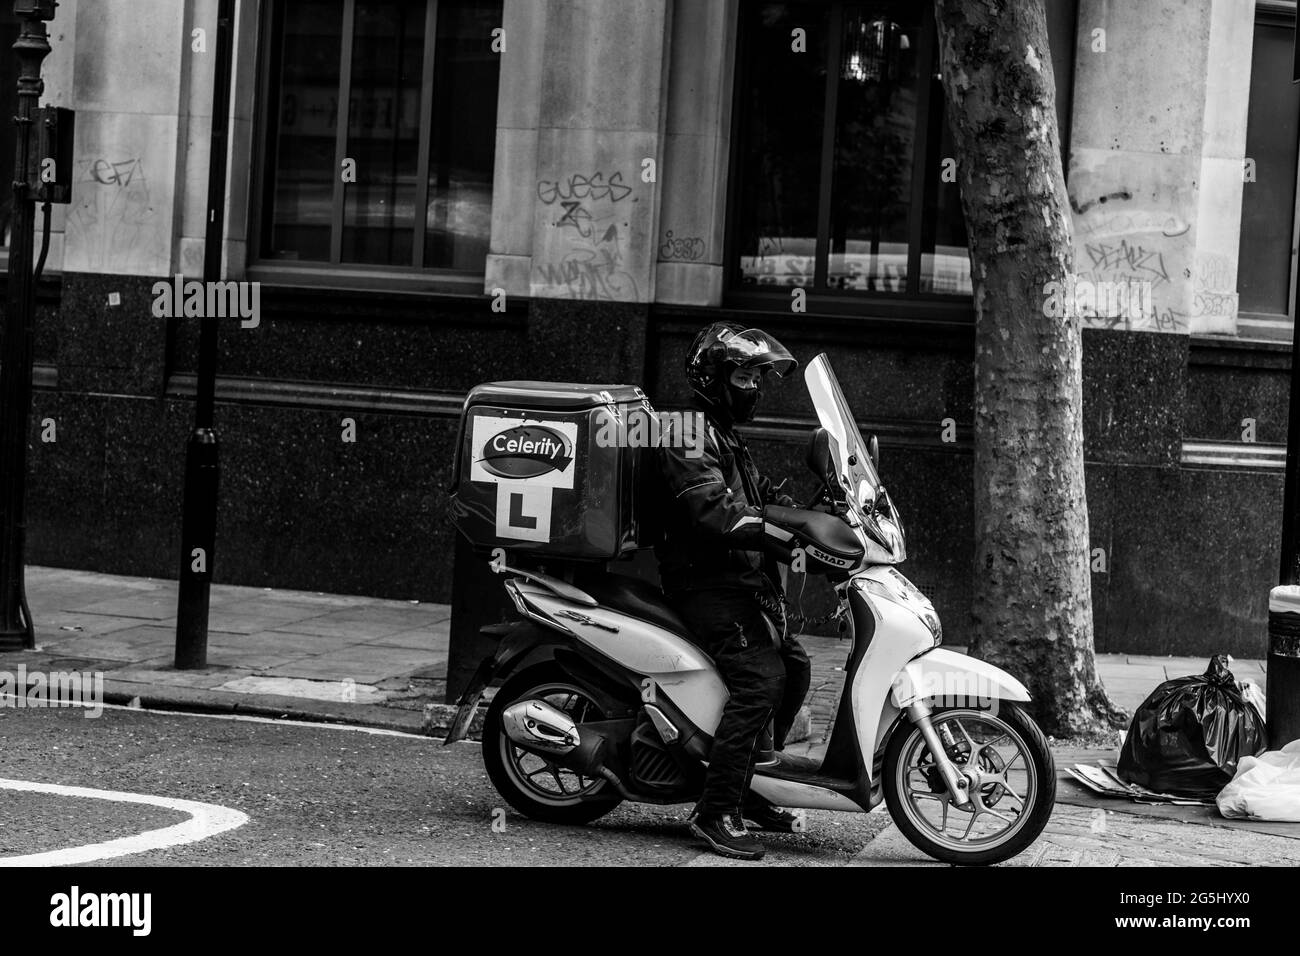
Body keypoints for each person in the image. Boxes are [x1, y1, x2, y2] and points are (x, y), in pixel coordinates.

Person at [654, 322, 812, 861]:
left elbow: (758, 494)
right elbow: (713, 514)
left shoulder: (721, 429)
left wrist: (814, 513)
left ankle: (746, 787)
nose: (755, 388)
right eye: (745, 375)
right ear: (712, 377)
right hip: (705, 584)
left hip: (739, 580)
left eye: (757, 377)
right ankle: (716, 811)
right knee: (761, 680)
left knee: (795, 665)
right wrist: (778, 529)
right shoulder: (684, 432)